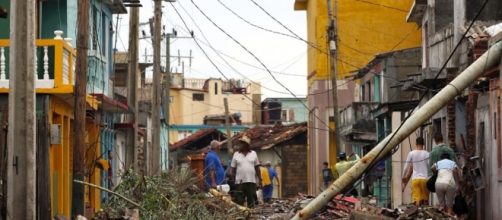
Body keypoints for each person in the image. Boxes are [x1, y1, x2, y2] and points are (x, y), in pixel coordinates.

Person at [229, 135, 262, 208]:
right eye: (240, 143)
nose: (240, 145)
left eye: (242, 143)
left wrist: (260, 179)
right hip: (239, 182)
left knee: (251, 202)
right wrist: (231, 174)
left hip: (251, 181)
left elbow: (257, 167)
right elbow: (232, 168)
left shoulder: (253, 153)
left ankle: (251, 216)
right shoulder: (236, 154)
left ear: (246, 145)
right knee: (239, 201)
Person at [402, 137, 430, 206]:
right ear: (423, 144)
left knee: (417, 200)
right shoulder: (427, 154)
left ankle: (418, 213)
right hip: (424, 179)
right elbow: (430, 166)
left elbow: (406, 167)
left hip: (415, 179)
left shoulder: (411, 153)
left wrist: (403, 177)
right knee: (425, 200)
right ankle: (425, 215)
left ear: (416, 144)